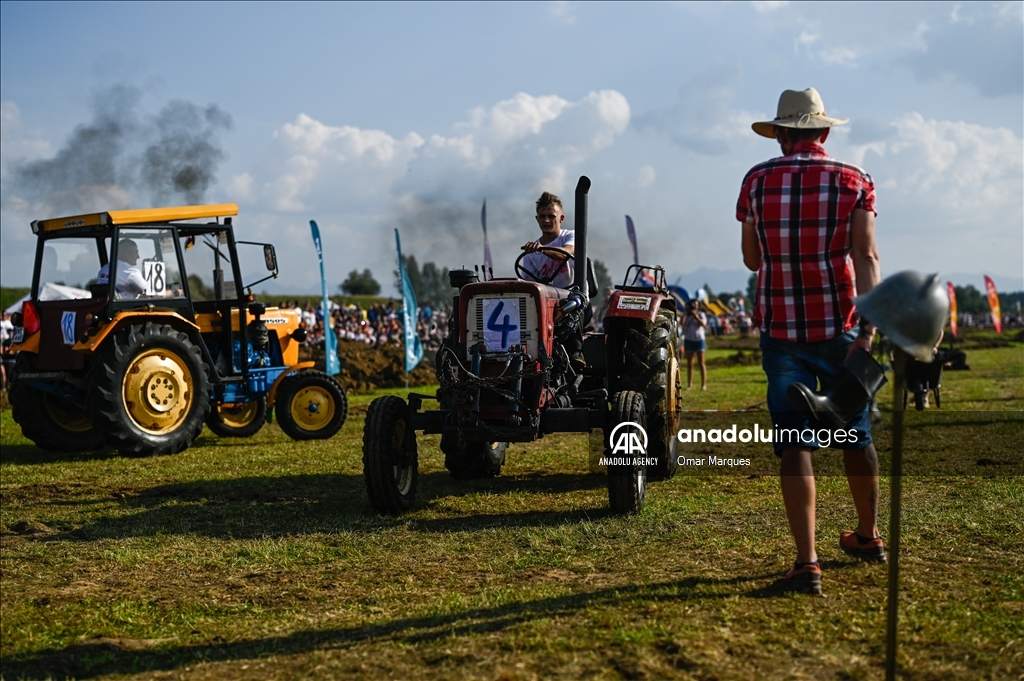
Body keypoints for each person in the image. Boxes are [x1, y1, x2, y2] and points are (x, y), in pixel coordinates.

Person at [737, 88, 883, 595]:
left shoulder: (756, 180)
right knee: (854, 432)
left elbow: (753, 260)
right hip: (841, 327)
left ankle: (807, 562)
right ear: (823, 131)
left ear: (779, 135)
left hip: (781, 330)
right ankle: (867, 535)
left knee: (795, 441)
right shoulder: (855, 179)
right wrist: (867, 331)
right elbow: (865, 256)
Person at [520, 191, 575, 289]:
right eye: (542, 216)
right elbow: (529, 285)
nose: (546, 220)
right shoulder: (530, 253)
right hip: (547, 299)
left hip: (572, 296)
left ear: (561, 218)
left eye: (551, 216)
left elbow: (566, 253)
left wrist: (542, 249)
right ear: (537, 219)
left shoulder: (571, 236)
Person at [681, 299, 708, 390]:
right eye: (693, 305)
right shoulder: (687, 316)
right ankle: (689, 385)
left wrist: (695, 316)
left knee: (701, 363)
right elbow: (682, 323)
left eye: (696, 305)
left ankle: (703, 385)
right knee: (690, 364)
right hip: (689, 340)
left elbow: (703, 324)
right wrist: (686, 312)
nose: (694, 307)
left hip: (699, 340)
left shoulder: (701, 314)